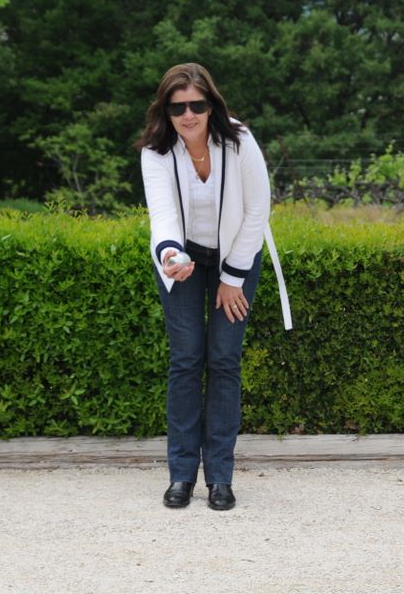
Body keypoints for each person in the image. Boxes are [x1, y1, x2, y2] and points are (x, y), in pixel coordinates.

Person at [137, 63, 291, 511]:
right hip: (182, 259)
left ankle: (220, 478)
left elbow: (257, 210)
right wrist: (170, 255)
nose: (188, 115)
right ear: (165, 111)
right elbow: (162, 214)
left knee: (224, 359)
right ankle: (181, 475)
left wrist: (232, 277)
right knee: (186, 359)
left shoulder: (239, 139)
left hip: (236, 258)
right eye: (177, 107)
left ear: (211, 105)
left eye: (196, 105)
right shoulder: (156, 151)